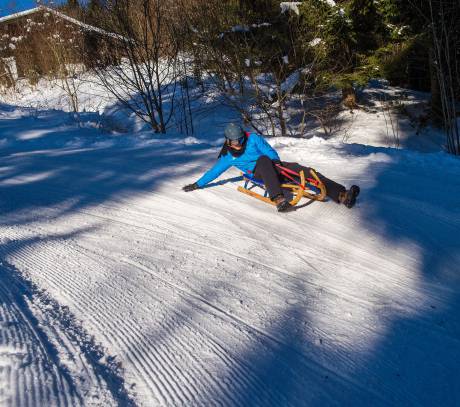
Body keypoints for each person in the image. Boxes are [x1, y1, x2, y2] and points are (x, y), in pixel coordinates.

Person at [182, 123, 360, 212]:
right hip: (259, 173)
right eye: (235, 142)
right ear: (228, 141)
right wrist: (198, 184)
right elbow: (214, 171)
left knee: (304, 171)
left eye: (241, 140)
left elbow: (269, 150)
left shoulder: (252, 138)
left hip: (274, 166)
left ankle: (341, 194)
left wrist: (276, 162)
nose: (239, 144)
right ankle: (279, 199)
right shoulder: (227, 156)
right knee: (263, 161)